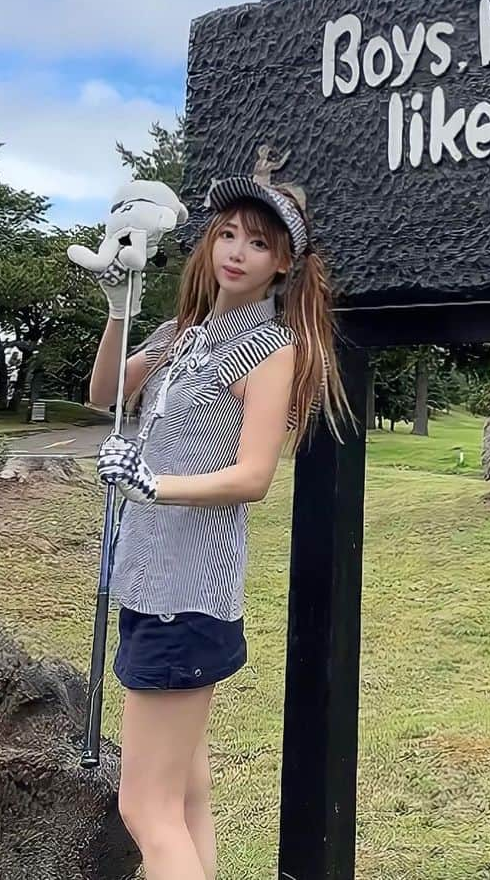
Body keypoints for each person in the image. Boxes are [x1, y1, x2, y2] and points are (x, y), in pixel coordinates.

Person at [85, 171, 349, 880]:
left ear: (282, 263)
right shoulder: (181, 334)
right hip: (146, 583)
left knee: (145, 809)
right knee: (186, 795)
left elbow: (253, 477)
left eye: (257, 243)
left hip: (185, 599)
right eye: (227, 234)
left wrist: (153, 483)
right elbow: (105, 394)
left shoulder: (270, 348)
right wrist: (118, 310)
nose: (236, 251)